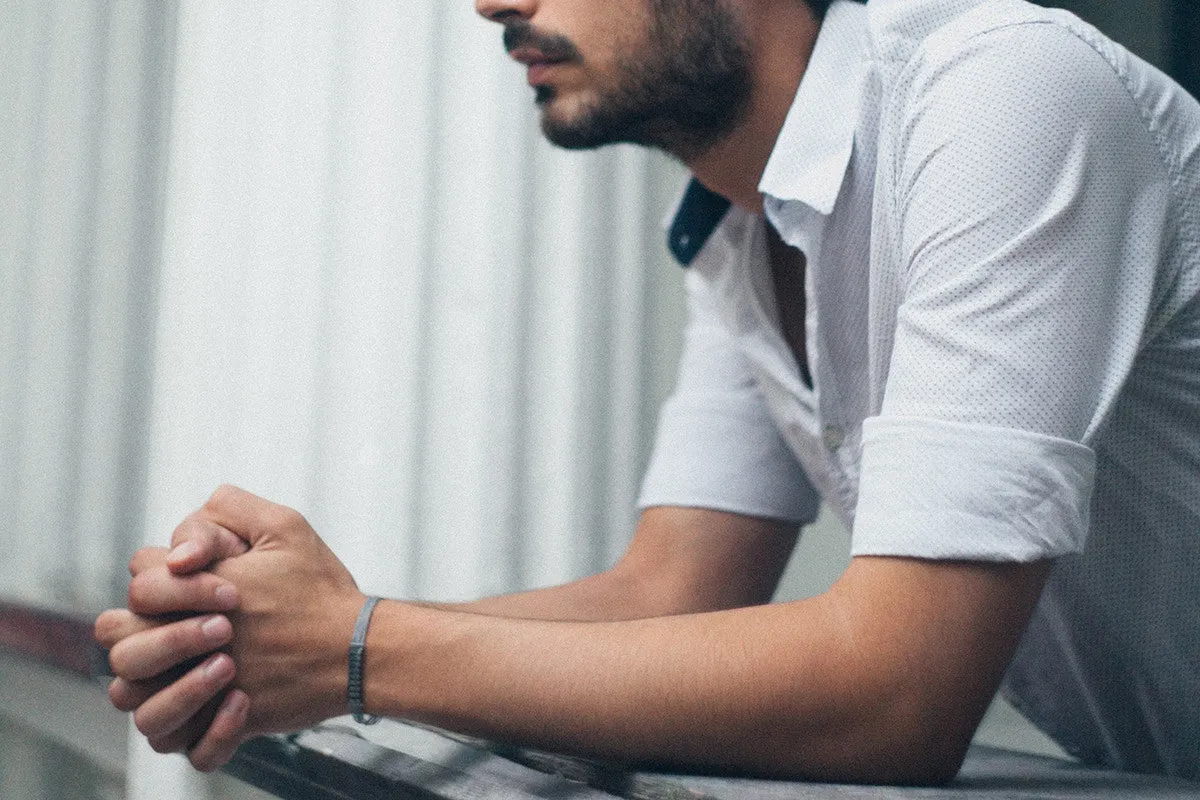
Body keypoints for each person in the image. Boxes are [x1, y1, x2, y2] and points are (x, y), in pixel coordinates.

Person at [95, 0, 1200, 785]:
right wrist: (264, 635)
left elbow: (900, 691)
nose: (493, 5)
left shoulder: (1004, 93)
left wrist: (358, 648)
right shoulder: (740, 226)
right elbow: (669, 589)